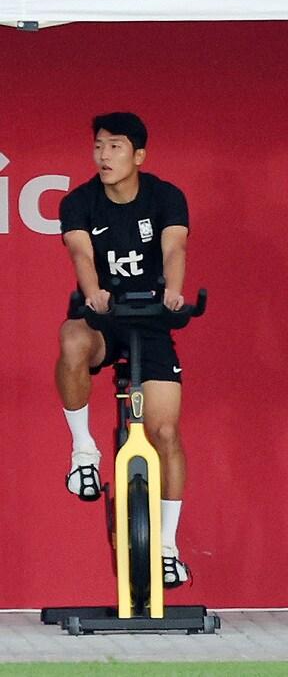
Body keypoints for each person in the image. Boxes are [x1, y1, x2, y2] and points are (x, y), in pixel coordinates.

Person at [56, 112, 194, 587]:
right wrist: (93, 292)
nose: (103, 156)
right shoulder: (78, 202)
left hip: (152, 321)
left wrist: (174, 291)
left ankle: (169, 546)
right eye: (98, 146)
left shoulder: (166, 196)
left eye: (115, 147)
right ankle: (83, 452)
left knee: (167, 434)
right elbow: (80, 254)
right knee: (72, 338)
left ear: (138, 155)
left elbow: (175, 249)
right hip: (101, 318)